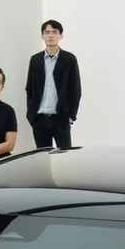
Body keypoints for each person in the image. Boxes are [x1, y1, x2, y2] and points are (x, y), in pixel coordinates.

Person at [24, 21, 81, 151]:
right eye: (47, 32)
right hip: (39, 119)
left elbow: (75, 90)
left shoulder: (69, 59)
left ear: (61, 36)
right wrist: (31, 115)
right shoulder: (35, 60)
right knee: (43, 160)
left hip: (61, 119)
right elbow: (30, 88)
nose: (50, 35)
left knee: (65, 158)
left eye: (55, 32)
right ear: (42, 36)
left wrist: (70, 116)